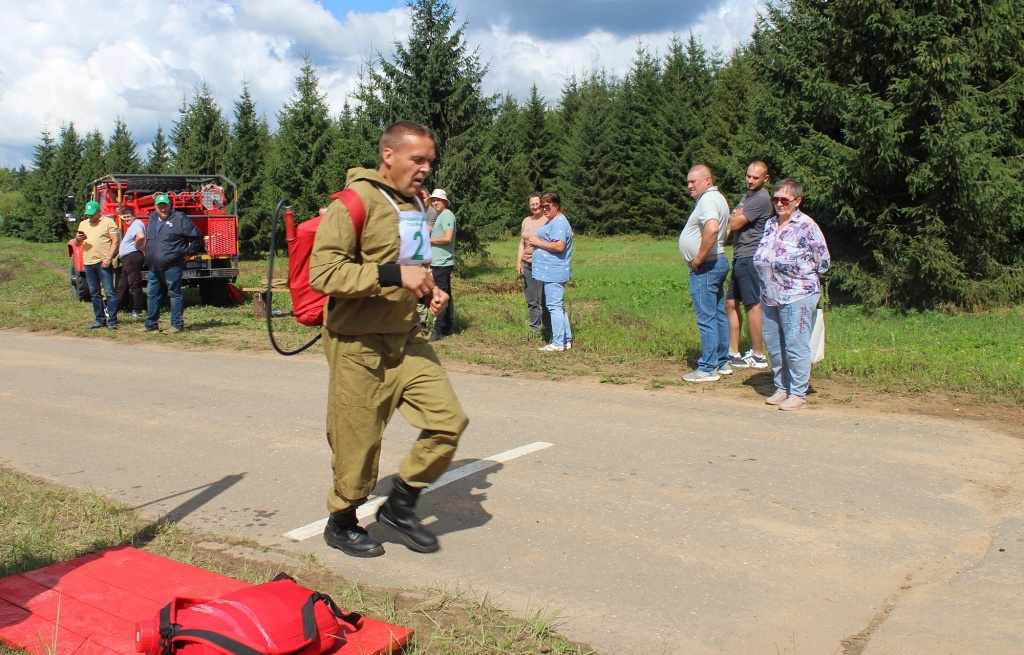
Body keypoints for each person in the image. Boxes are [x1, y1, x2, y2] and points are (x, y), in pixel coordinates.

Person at [309, 121, 469, 558]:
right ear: (389, 157)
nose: (425, 169)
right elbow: (323, 274)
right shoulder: (354, 202)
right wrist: (393, 275)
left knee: (448, 421)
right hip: (357, 344)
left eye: (430, 161)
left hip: (406, 337)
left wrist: (431, 289)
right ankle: (341, 520)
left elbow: (414, 261)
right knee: (357, 440)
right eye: (418, 159)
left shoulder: (416, 203)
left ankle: (401, 503)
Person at [753, 179, 831, 411]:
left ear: (797, 201)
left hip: (798, 294)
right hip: (769, 294)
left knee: (795, 345)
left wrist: (798, 273)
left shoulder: (807, 226)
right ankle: (781, 387)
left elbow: (823, 261)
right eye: (775, 199)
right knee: (774, 345)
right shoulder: (769, 224)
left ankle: (798, 392)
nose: (779, 204)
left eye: (784, 199)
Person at [678, 165, 731, 382]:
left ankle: (708, 368)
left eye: (694, 181)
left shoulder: (708, 200)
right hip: (717, 261)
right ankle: (722, 361)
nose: (690, 186)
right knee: (718, 314)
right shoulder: (719, 198)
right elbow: (725, 230)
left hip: (707, 266)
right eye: (688, 182)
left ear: (707, 180)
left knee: (706, 317)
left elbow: (712, 228)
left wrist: (699, 257)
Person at [725, 161, 773, 370]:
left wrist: (732, 218)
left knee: (752, 304)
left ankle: (758, 354)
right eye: (748, 176)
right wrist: (733, 217)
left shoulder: (761, 198)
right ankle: (733, 352)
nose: (750, 180)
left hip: (750, 257)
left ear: (765, 179)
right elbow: (733, 219)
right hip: (740, 256)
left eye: (755, 177)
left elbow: (733, 223)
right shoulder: (748, 197)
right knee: (731, 303)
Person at [142, 193, 201, 334]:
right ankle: (151, 325)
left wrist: (189, 253)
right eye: (160, 206)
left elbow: (196, 235)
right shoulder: (152, 218)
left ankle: (176, 324)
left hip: (172, 264)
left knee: (174, 293)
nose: (162, 209)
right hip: (154, 265)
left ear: (170, 205)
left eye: (165, 206)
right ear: (155, 207)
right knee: (152, 294)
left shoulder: (179, 218)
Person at [528, 192, 573, 352]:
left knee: (554, 306)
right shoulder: (554, 220)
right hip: (550, 270)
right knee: (557, 306)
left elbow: (559, 246)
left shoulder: (559, 222)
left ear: (557, 205)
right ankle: (565, 339)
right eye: (542, 206)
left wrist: (538, 242)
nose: (544, 209)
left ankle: (558, 342)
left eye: (548, 206)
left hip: (554, 271)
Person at [76, 202, 120, 330]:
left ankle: (113, 321)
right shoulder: (83, 224)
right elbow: (78, 244)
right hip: (88, 262)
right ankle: (100, 320)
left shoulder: (108, 222)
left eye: (92, 214)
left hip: (103, 262)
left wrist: (109, 257)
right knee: (95, 293)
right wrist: (78, 239)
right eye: (88, 214)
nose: (89, 217)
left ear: (98, 212)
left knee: (109, 292)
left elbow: (115, 241)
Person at [516, 193, 551, 341]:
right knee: (531, 299)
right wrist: (519, 261)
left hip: (543, 264)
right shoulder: (526, 221)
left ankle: (548, 330)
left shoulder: (549, 220)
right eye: (532, 204)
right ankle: (534, 329)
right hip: (528, 264)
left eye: (537, 203)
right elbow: (522, 243)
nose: (535, 206)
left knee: (544, 298)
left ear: (542, 204)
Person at [427, 189, 456, 342]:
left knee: (438, 295)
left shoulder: (446, 215)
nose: (435, 202)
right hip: (439, 261)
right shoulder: (441, 216)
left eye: (438, 200)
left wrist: (429, 240)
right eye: (433, 200)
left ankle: (437, 330)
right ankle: (447, 326)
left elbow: (447, 237)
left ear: (445, 202)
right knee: (446, 295)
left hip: (442, 262)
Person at [115, 208, 147, 319]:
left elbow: (141, 236)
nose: (126, 219)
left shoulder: (136, 224)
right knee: (123, 284)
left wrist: (138, 246)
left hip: (132, 257)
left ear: (134, 216)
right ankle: (116, 306)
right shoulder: (132, 225)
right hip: (128, 258)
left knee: (134, 283)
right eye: (125, 217)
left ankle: (138, 309)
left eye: (128, 216)